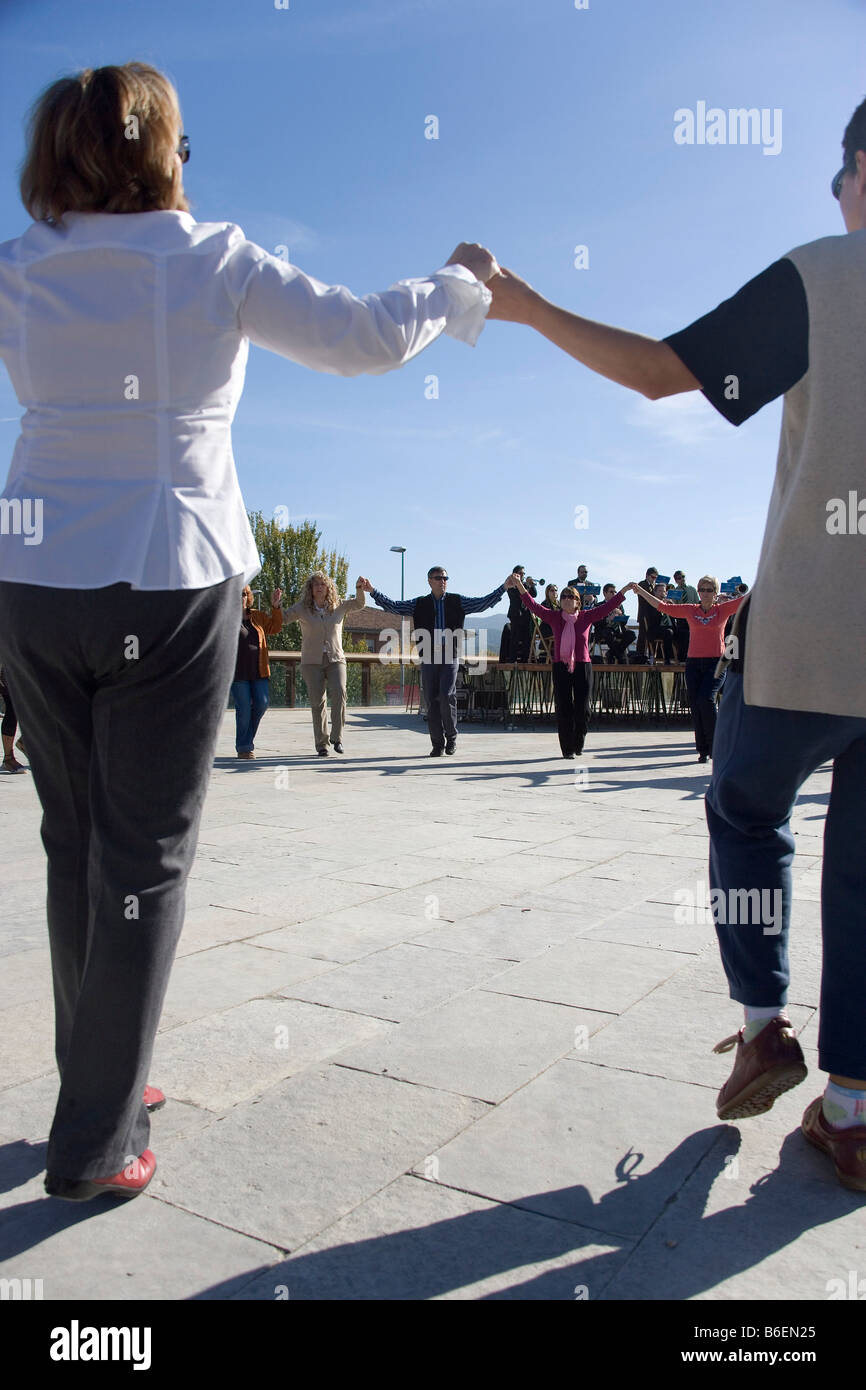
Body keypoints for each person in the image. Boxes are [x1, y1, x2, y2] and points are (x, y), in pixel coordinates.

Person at [0, 62, 499, 1201]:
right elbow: (366, 338)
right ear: (163, 150)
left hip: (30, 571)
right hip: (166, 576)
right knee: (143, 857)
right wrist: (455, 282)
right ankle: (95, 1142)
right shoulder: (212, 257)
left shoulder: (17, 267)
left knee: (72, 841)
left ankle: (102, 1077)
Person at [486, 95, 866, 1188]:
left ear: (859, 167)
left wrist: (525, 304)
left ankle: (760, 1023)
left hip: (802, 636)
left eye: (834, 175)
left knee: (746, 813)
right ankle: (850, 1110)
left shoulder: (825, 279)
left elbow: (661, 371)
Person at [361, 568, 508, 755]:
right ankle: (437, 744)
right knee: (431, 699)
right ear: (430, 581)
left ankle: (451, 737)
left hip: (450, 656)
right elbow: (394, 606)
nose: (443, 581)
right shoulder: (419, 603)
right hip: (429, 656)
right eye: (439, 578)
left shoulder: (457, 601)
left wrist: (503, 588)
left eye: (446, 578)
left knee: (447, 695)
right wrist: (373, 591)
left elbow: (481, 603)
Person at [512, 575, 628, 757]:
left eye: (570, 596)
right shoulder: (554, 617)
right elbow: (533, 606)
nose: (566, 599)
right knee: (564, 708)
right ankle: (567, 749)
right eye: (563, 596)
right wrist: (520, 585)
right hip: (561, 666)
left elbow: (607, 608)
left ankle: (578, 742)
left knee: (583, 710)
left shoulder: (586, 616)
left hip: (583, 666)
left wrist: (624, 591)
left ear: (577, 601)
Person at [633, 578, 743, 758]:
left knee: (706, 700)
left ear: (715, 593)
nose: (705, 593)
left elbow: (747, 600)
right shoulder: (691, 609)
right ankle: (702, 750)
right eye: (702, 589)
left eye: (709, 590)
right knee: (695, 705)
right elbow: (662, 606)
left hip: (715, 663)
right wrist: (641, 591)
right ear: (698, 592)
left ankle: (716, 747)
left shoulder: (722, 609)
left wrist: (769, 573)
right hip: (693, 663)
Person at [281, 573, 365, 755]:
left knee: (340, 693)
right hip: (312, 661)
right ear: (310, 589)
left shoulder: (339, 605)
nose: (319, 587)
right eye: (316, 584)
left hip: (336, 659)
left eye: (323, 584)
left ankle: (337, 738)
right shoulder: (302, 608)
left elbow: (359, 604)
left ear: (328, 587)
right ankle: (321, 744)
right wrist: (276, 605)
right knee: (317, 703)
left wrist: (359, 588)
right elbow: (283, 618)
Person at [230, 585, 283, 760]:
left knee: (262, 703)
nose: (242, 597)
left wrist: (275, 606)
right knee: (244, 708)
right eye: (238, 594)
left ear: (249, 597)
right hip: (237, 673)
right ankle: (244, 747)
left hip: (259, 670)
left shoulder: (257, 616)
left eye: (245, 594)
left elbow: (275, 627)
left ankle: (246, 739)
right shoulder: (226, 617)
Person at [592, 584, 635, 664]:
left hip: (618, 631)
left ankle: (612, 653)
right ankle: (619, 656)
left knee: (632, 634)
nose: (614, 594)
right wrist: (608, 619)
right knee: (608, 633)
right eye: (611, 592)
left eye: (615, 592)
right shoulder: (598, 605)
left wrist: (621, 615)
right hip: (604, 631)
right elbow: (595, 622)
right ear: (604, 593)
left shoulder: (619, 605)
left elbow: (624, 622)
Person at [0, 664, 28, 773]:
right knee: (13, 706)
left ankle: (24, 742)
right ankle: (8, 758)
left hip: (21, 665)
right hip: (8, 666)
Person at [506, 565, 535, 662]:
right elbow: (519, 595)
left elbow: (534, 595)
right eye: (521, 573)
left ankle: (525, 659)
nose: (523, 575)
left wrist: (532, 585)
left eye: (524, 573)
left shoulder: (525, 585)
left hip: (526, 615)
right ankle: (512, 659)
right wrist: (526, 585)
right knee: (515, 637)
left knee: (527, 638)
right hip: (515, 614)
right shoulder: (510, 583)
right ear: (515, 574)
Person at [634, 567, 659, 661]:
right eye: (652, 577)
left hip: (652, 615)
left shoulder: (654, 585)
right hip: (644, 614)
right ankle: (639, 656)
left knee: (650, 635)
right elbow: (647, 597)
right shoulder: (642, 584)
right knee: (642, 636)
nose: (654, 580)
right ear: (647, 576)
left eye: (656, 578)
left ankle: (650, 655)